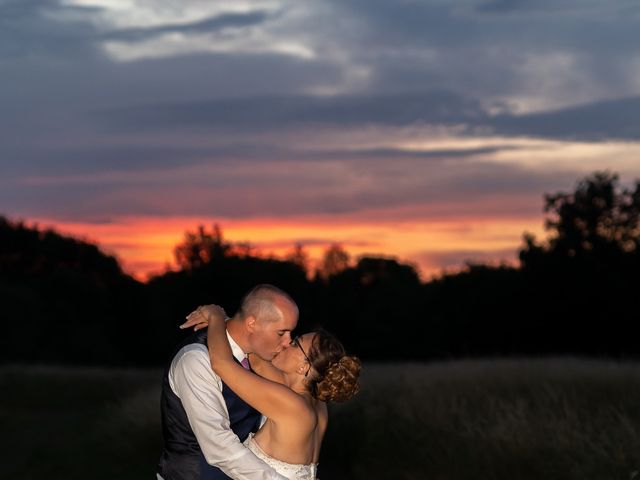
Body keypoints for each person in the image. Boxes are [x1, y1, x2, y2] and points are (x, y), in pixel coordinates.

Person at [181, 303, 361, 480]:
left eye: (296, 344)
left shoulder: (290, 405)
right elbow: (256, 358)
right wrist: (238, 323)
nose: (288, 342)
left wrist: (216, 317)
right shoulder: (317, 403)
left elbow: (221, 363)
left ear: (303, 367)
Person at [157, 284, 299, 480]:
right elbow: (219, 446)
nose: (287, 342)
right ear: (252, 324)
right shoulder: (196, 359)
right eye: (281, 333)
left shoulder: (260, 359)